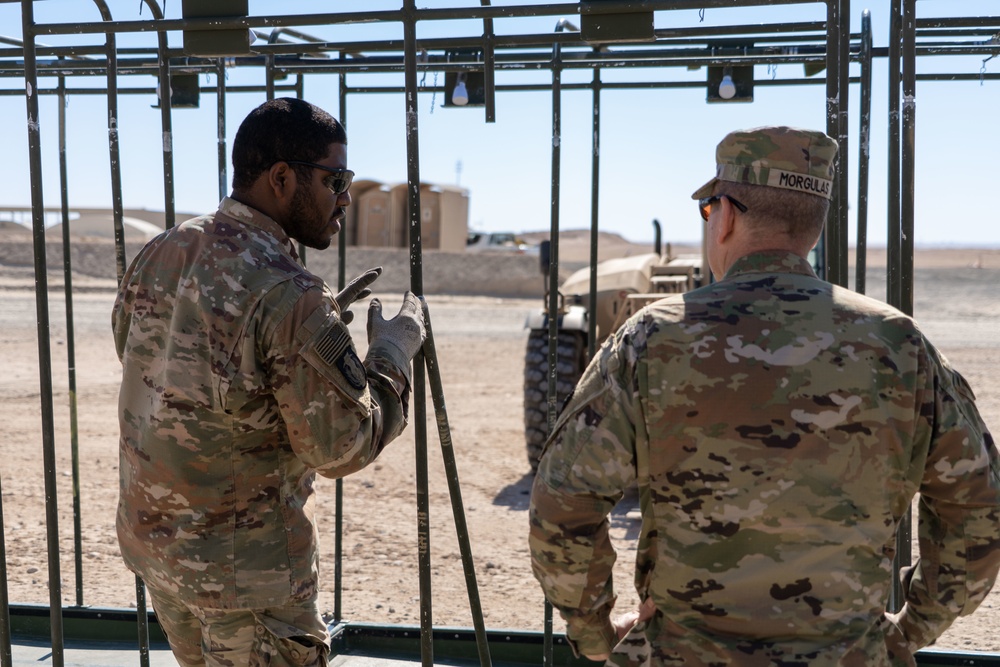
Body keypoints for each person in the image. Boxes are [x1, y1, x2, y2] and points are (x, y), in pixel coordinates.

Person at [529, 125, 1000, 666]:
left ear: (724, 216)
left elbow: (562, 503)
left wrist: (594, 633)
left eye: (708, 211)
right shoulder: (901, 344)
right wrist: (910, 630)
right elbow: (977, 506)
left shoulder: (652, 339)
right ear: (813, 231)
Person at [113, 97, 425, 667]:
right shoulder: (289, 292)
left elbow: (149, 362)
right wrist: (392, 354)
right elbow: (340, 447)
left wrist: (305, 342)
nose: (345, 198)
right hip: (246, 580)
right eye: (336, 179)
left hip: (159, 551)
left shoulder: (163, 251)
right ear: (282, 178)